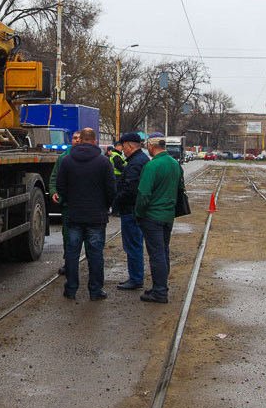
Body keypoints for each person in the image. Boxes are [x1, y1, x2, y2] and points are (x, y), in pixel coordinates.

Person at [55, 127, 115, 301]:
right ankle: (95, 291)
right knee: (95, 254)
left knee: (72, 254)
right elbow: (111, 189)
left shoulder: (67, 161)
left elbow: (61, 186)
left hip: (74, 215)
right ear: (94, 141)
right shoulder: (104, 162)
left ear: (80, 140)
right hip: (96, 216)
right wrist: (107, 205)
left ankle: (71, 289)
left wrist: (67, 201)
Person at [134, 133, 184, 304]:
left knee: (156, 255)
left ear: (151, 146)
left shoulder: (152, 166)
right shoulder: (174, 163)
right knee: (163, 252)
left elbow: (143, 194)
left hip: (152, 216)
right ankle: (160, 287)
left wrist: (139, 213)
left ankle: (160, 292)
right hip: (168, 215)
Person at [112, 132, 149, 291]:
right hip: (134, 209)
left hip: (130, 210)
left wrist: (116, 200)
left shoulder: (135, 163)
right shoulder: (140, 160)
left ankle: (135, 278)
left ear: (130, 146)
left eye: (124, 147)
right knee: (134, 244)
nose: (122, 150)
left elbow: (130, 189)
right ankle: (135, 277)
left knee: (132, 245)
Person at [50, 130, 81, 276]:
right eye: (74, 138)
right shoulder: (63, 158)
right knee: (67, 235)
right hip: (68, 204)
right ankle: (68, 263)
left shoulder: (95, 157)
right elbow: (54, 177)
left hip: (85, 205)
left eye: (79, 138)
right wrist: (53, 192)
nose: (77, 140)